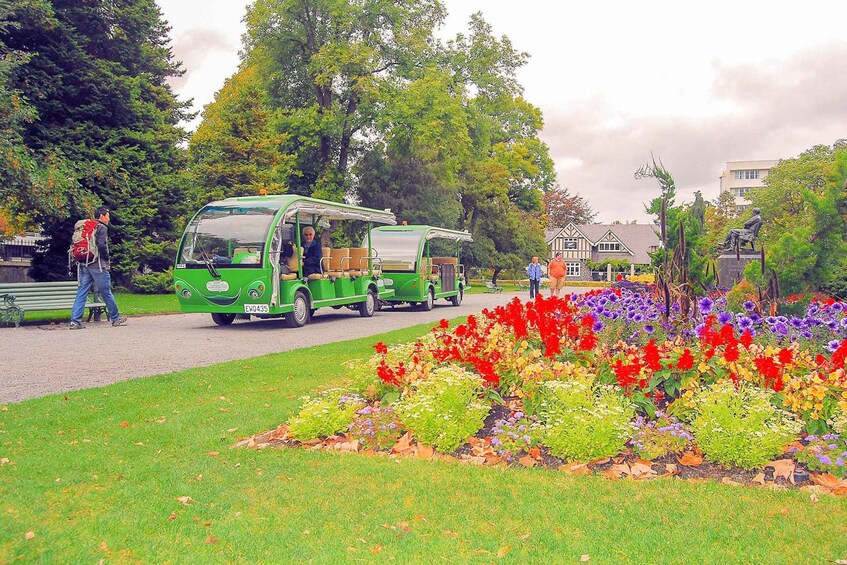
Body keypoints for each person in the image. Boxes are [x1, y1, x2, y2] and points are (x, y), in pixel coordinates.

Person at [69, 207, 127, 329]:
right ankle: (115, 318)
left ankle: (75, 321)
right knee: (106, 292)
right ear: (102, 215)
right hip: (98, 265)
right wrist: (107, 260)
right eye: (107, 215)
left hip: (84, 264)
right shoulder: (101, 227)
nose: (109, 218)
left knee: (82, 292)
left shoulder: (87, 226)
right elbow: (102, 245)